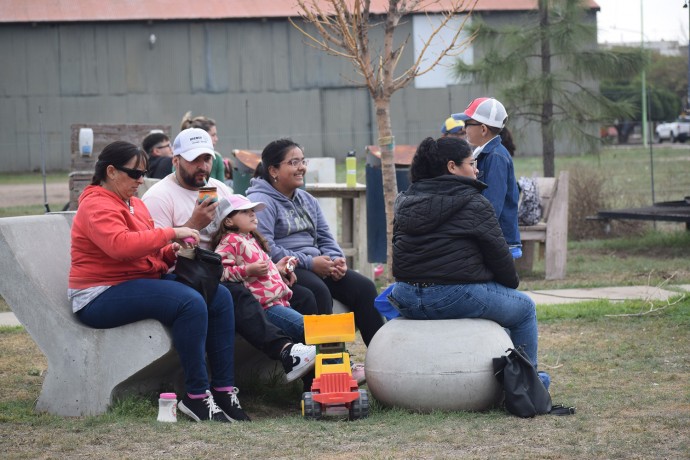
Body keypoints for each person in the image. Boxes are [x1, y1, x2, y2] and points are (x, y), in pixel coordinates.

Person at [68, 140, 250, 423]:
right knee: (189, 302)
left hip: (135, 284)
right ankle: (196, 396)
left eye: (144, 173)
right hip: (99, 295)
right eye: (135, 174)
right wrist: (171, 234)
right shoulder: (96, 203)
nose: (141, 181)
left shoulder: (135, 204)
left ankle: (224, 389)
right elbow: (120, 246)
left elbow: (148, 249)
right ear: (112, 171)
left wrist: (170, 251)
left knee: (220, 295)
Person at [142, 128, 317, 383]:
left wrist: (272, 268)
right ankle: (284, 353)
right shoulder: (158, 197)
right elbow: (159, 256)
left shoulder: (219, 189)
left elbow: (242, 235)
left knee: (307, 294)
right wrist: (194, 223)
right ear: (175, 161)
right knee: (235, 295)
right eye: (194, 160)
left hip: (230, 273)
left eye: (207, 159)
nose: (203, 167)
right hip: (189, 277)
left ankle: (315, 384)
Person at [388, 136, 548, 386]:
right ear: (452, 167)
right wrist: (507, 283)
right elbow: (501, 260)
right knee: (524, 308)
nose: (477, 169)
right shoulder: (474, 201)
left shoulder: (404, 201)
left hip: (405, 296)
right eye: (472, 163)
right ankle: (528, 385)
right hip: (453, 296)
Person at [245, 138, 385, 382]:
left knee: (364, 287)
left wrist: (336, 260)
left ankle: (383, 365)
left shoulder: (306, 199)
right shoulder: (262, 202)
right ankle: (325, 372)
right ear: (274, 171)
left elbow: (325, 237)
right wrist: (310, 263)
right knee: (318, 291)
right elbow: (266, 247)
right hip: (288, 270)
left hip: (318, 263)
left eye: (302, 161)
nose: (301, 167)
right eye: (294, 162)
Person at [212, 195, 307, 343]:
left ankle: (336, 363)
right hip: (266, 307)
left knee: (310, 330)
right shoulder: (230, 240)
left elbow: (260, 271)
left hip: (279, 302)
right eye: (244, 211)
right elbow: (220, 272)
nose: (252, 214)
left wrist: (279, 269)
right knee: (309, 329)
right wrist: (248, 270)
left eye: (252, 210)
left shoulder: (250, 238)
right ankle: (338, 364)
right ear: (228, 221)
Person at [455, 97, 522, 258]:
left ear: (483, 129)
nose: (464, 129)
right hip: (491, 238)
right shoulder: (484, 153)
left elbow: (492, 205)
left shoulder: (496, 157)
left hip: (499, 241)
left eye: (468, 124)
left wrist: (475, 237)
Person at [180, 112, 228, 184]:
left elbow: (220, 185)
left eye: (207, 158)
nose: (202, 167)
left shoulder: (217, 158)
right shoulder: (181, 158)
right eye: (213, 135)